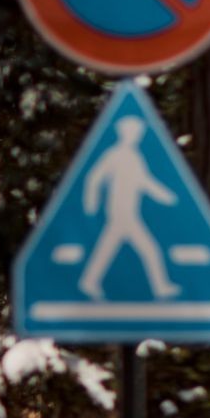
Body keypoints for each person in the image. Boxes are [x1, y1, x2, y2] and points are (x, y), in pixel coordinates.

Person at [79, 116, 179, 300]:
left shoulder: (135, 156)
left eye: (138, 133)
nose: (137, 136)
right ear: (126, 133)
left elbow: (144, 181)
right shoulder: (115, 155)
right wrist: (90, 204)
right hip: (120, 212)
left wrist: (166, 196)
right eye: (135, 132)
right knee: (149, 249)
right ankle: (160, 287)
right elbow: (94, 178)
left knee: (108, 247)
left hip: (129, 212)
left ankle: (89, 281)